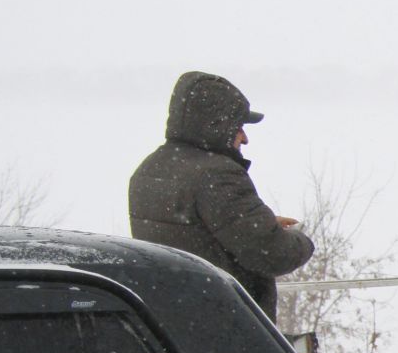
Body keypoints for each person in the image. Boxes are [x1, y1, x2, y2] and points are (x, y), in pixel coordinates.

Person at [129, 71, 314, 320]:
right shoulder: (217, 175)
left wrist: (263, 222)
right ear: (218, 125)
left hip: (174, 319)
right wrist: (300, 240)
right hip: (226, 323)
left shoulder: (151, 168)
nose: (245, 138)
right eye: (239, 127)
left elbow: (199, 232)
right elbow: (271, 252)